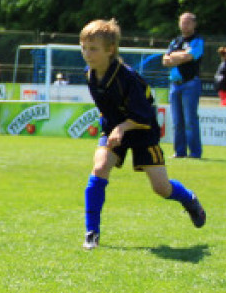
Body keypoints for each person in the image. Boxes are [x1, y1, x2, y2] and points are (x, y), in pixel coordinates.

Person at [80, 19, 206, 250]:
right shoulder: (90, 74)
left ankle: (189, 199)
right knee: (99, 168)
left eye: (93, 49)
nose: (87, 54)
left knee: (161, 188)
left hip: (142, 130)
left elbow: (145, 115)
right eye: (84, 48)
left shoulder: (128, 78)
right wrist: (112, 127)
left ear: (111, 50)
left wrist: (122, 127)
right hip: (114, 129)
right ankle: (92, 232)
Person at [162, 12, 204, 159]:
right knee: (177, 121)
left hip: (190, 83)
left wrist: (174, 57)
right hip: (175, 84)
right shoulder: (175, 41)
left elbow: (189, 56)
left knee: (190, 120)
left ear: (194, 24)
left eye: (188, 22)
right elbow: (165, 60)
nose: (184, 25)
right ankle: (179, 152)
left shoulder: (197, 40)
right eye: (182, 22)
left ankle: (194, 152)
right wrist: (179, 57)